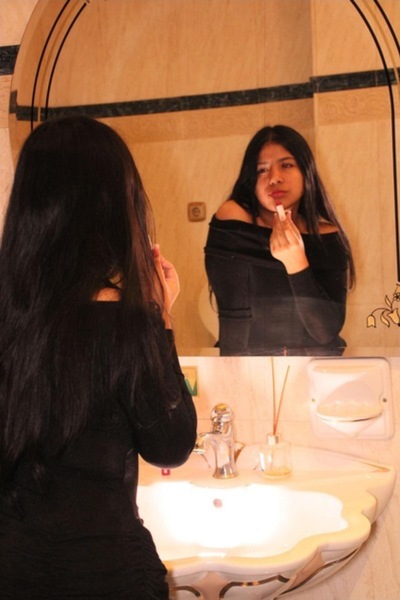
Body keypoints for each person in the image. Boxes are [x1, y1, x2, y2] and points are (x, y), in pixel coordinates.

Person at [0, 116, 197, 598]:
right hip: (108, 575)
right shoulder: (123, 322)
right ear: (113, 206)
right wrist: (159, 318)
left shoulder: (8, 316)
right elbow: (170, 447)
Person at [205, 125, 355, 356]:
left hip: (317, 369)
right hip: (249, 369)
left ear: (306, 172)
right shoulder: (232, 220)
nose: (274, 178)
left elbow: (325, 332)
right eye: (262, 170)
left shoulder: (327, 235)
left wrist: (297, 263)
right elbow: (237, 326)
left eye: (286, 165)